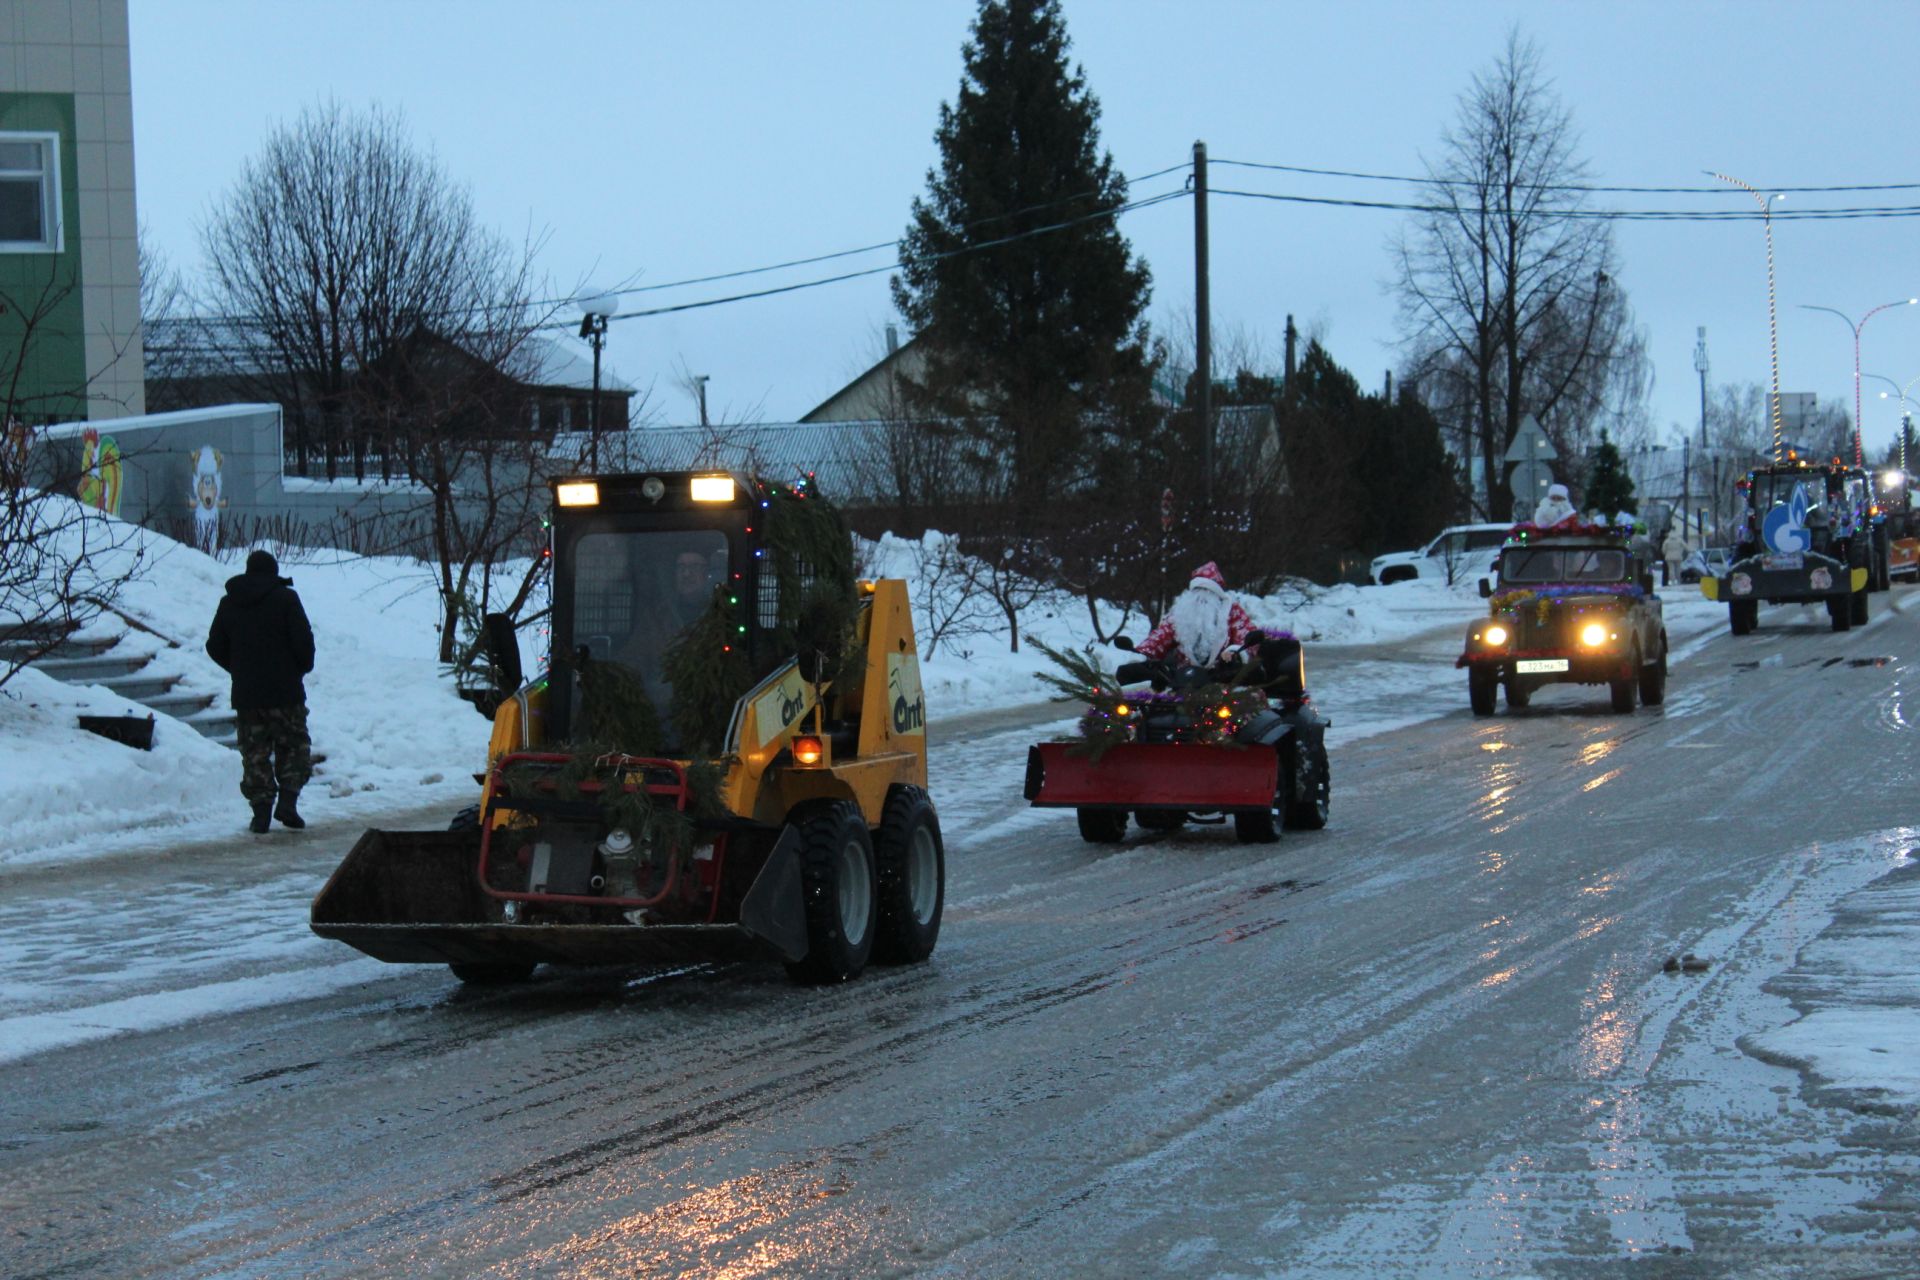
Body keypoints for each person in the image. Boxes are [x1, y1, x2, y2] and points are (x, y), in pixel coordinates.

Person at [207, 549, 316, 833]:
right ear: (273, 572)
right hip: (286, 692)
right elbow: (304, 642)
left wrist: (240, 670)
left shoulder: (230, 602)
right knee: (293, 745)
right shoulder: (286, 599)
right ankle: (288, 802)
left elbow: (214, 645)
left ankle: (261, 813)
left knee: (254, 751)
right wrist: (299, 668)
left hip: (248, 695)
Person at [1138, 561, 1257, 667]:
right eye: (1197, 592)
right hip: (1184, 678)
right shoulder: (1180, 612)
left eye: (1207, 593)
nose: (1201, 599)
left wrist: (1235, 652)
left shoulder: (1232, 611)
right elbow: (1161, 636)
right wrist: (1144, 652)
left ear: (1217, 596)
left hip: (1224, 676)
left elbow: (1247, 636)